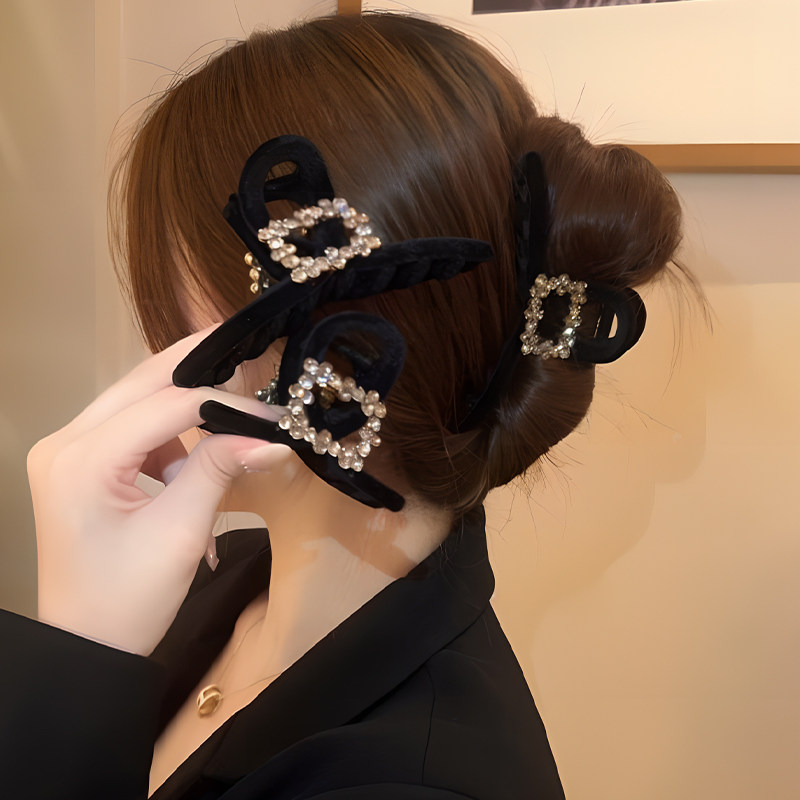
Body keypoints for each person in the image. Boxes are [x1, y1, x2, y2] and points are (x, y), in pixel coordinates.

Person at [1, 11, 684, 799]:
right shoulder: (227, 579)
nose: (153, 341)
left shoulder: (410, 782)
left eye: (169, 291)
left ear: (327, 341)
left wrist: (74, 665)